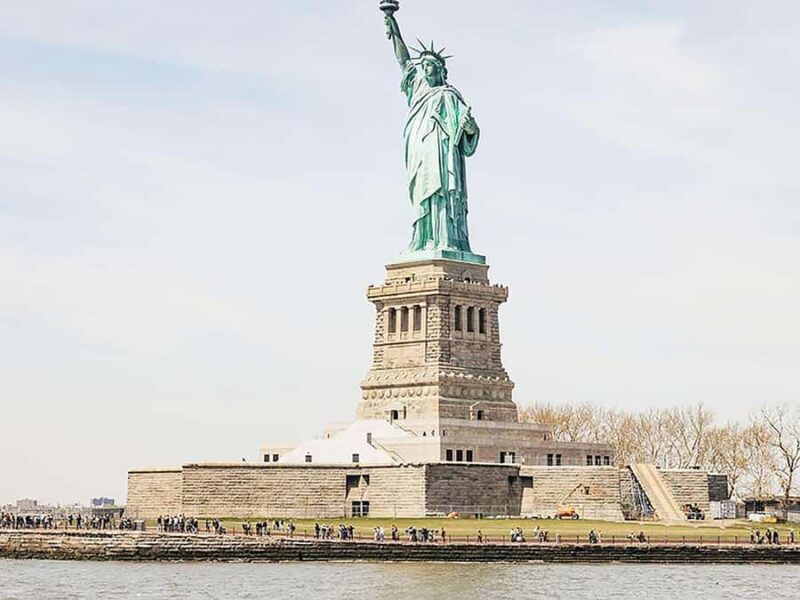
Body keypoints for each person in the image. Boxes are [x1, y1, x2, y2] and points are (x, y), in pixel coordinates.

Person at [383, 9, 480, 255]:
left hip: (444, 151)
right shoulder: (417, 88)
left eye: (430, 66)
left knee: (443, 193)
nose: (425, 70)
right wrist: (393, 25)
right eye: (423, 65)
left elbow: (470, 132)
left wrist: (469, 127)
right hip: (420, 149)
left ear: (440, 70)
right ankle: (422, 238)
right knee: (422, 193)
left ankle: (447, 239)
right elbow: (403, 60)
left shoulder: (450, 95)